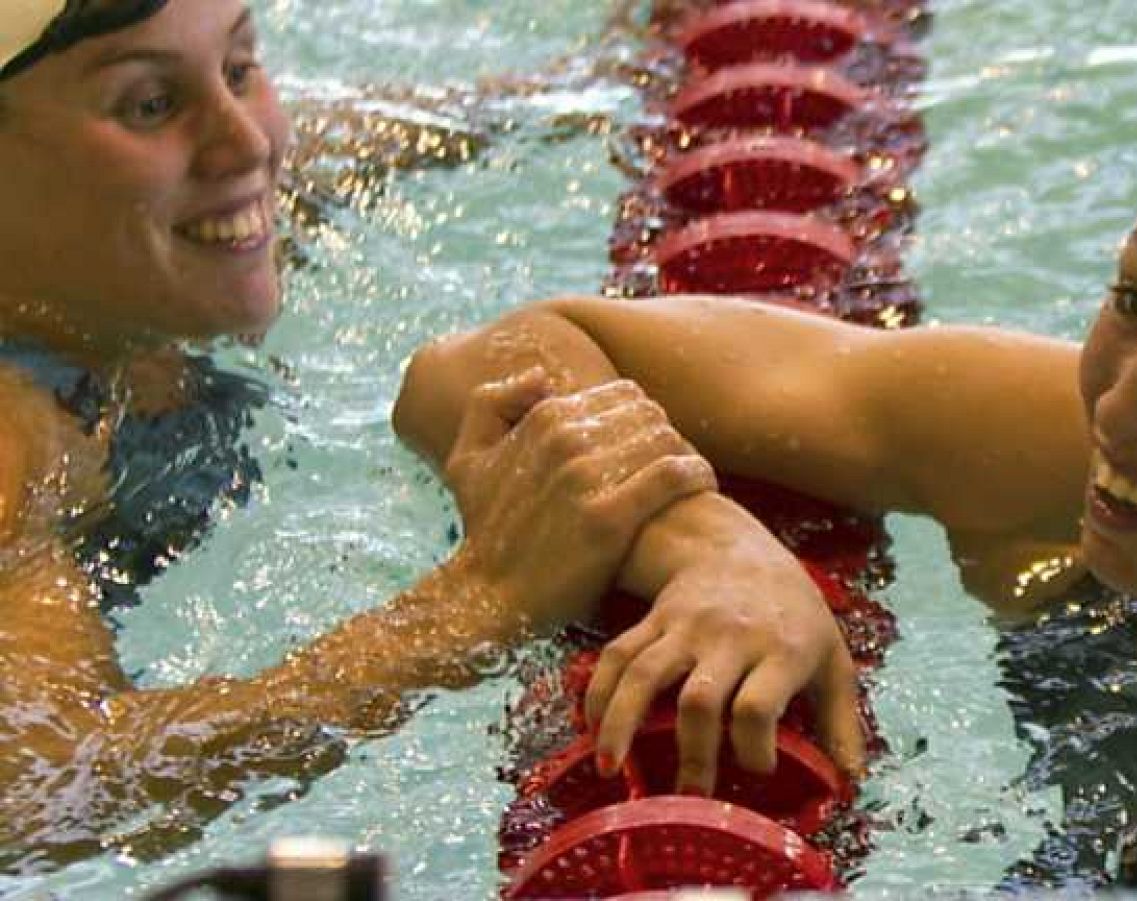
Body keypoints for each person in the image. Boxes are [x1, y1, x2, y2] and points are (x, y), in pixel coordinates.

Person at [396, 70, 1137, 887]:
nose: (1121, 407)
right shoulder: (1047, 449)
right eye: (1133, 301)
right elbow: (479, 370)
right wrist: (715, 545)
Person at [0, 0, 865, 871]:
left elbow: (381, 133)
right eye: (150, 103)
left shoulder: (184, 210)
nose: (248, 145)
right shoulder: (15, 433)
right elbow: (43, 789)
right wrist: (476, 605)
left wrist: (597, 81)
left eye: (238, 67)